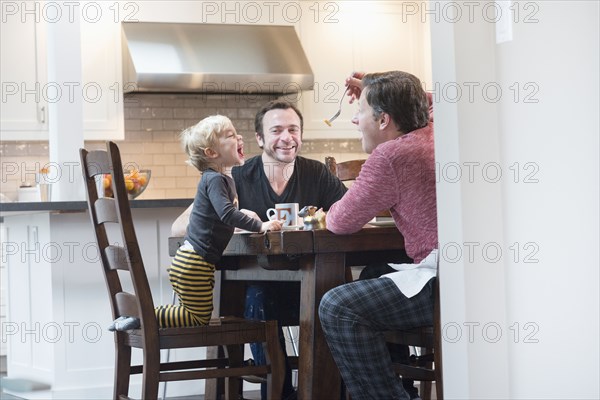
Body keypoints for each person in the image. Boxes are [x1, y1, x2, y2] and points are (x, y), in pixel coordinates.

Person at [171, 100, 348, 399]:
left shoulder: (316, 173)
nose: (286, 137)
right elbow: (179, 227)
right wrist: (236, 224)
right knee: (258, 297)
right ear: (260, 138)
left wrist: (325, 218)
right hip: (260, 290)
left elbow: (352, 213)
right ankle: (277, 392)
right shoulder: (235, 176)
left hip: (317, 285)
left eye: (293, 129)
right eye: (276, 130)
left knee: (339, 296)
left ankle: (332, 389)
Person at [318, 71, 438, 400]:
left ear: (383, 119)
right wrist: (373, 87)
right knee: (373, 274)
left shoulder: (390, 156)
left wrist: (325, 211)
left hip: (443, 284)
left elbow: (340, 221)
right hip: (465, 276)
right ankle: (403, 390)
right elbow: (423, 100)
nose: (356, 121)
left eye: (361, 112)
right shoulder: (436, 132)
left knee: (338, 306)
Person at [154, 115, 282, 329]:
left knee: (197, 316)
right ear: (212, 153)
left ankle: (143, 315)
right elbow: (226, 214)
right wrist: (261, 226)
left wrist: (242, 219)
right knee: (198, 319)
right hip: (194, 263)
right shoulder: (214, 179)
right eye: (231, 135)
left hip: (196, 262)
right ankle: (145, 315)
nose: (239, 137)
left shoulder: (221, 178)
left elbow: (221, 218)